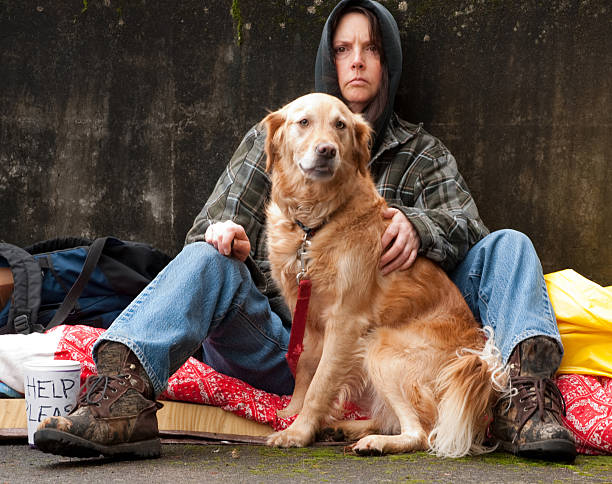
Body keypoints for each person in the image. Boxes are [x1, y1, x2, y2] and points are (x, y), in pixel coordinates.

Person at [34, 0, 575, 462]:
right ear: (328, 60)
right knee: (206, 258)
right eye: (343, 49)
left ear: (388, 63)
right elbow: (205, 227)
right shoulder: (278, 133)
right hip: (281, 342)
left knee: (509, 244)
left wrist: (421, 226)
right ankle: (122, 391)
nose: (357, 60)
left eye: (371, 49)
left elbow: (470, 229)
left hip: (390, 346)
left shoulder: (422, 154)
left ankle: (524, 396)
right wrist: (226, 237)